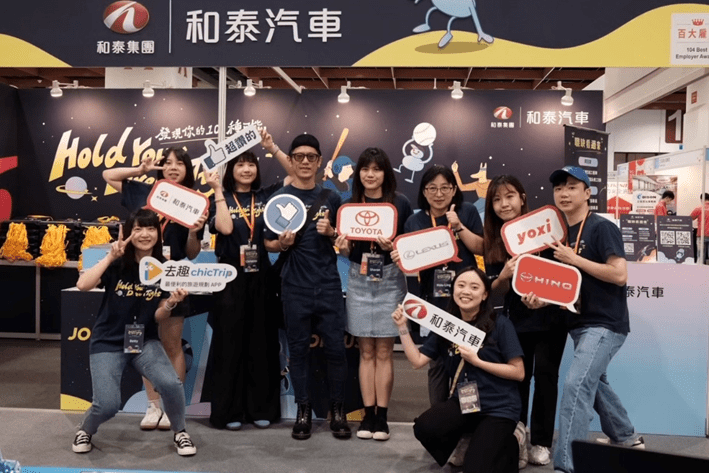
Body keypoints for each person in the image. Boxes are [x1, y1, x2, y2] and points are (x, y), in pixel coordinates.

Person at [523, 166, 643, 473]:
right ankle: (626, 436)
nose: (563, 193)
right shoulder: (559, 234)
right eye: (558, 188)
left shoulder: (602, 228)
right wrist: (540, 300)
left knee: (576, 385)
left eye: (571, 187)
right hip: (577, 324)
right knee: (594, 382)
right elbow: (563, 285)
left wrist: (574, 258)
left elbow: (619, 274)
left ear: (587, 193)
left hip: (605, 323)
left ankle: (568, 464)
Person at [72, 209, 196, 456]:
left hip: (144, 341)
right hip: (108, 341)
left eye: (150, 228)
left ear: (158, 234)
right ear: (129, 233)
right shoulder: (117, 264)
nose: (144, 234)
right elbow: (83, 284)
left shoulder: (165, 269)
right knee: (107, 405)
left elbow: (159, 316)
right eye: (138, 229)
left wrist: (171, 303)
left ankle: (180, 432)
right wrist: (110, 256)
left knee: (171, 384)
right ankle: (85, 429)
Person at [102, 147, 206, 430]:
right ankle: (153, 406)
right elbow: (108, 174)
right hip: (139, 278)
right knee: (143, 343)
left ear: (187, 169)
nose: (173, 167)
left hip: (172, 279)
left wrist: (194, 231)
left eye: (179, 163)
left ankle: (173, 406)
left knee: (172, 345)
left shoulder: (194, 202)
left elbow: (192, 253)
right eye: (167, 163)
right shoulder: (144, 193)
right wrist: (140, 170)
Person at [392, 267, 524, 473]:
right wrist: (402, 327)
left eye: (474, 287)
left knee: (475, 468)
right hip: (466, 403)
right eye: (460, 285)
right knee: (425, 426)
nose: (466, 291)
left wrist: (478, 361)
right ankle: (469, 440)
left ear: (485, 295)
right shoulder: (447, 325)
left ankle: (513, 440)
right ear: (453, 290)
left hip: (499, 407)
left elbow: (518, 372)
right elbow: (417, 361)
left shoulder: (500, 324)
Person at [263, 133, 350, 440]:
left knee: (337, 351)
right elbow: (268, 244)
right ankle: (303, 410)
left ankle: (338, 410)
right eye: (298, 156)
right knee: (298, 351)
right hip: (294, 287)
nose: (304, 162)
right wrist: (283, 243)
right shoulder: (279, 199)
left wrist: (332, 232)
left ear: (319, 161)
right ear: (290, 159)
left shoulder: (332, 198)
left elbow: (345, 243)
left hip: (328, 285)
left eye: (310, 157)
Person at [204, 139, 292, 431]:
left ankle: (261, 408)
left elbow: (295, 174)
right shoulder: (218, 198)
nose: (246, 169)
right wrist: (218, 190)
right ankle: (229, 411)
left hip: (262, 276)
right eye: (240, 164)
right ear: (231, 169)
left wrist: (272, 147)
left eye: (251, 164)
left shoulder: (266, 196)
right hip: (229, 277)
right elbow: (226, 228)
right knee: (229, 345)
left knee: (262, 342)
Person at [482, 175, 567, 468]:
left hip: (551, 318)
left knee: (546, 377)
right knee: (518, 379)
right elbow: (495, 290)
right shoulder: (495, 239)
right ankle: (516, 436)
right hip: (516, 321)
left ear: (522, 198)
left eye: (509, 197)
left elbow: (564, 275)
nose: (504, 204)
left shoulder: (547, 227)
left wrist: (546, 298)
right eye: (496, 200)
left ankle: (541, 441)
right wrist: (504, 275)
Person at [334, 147, 413, 441]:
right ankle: (368, 415)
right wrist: (343, 248)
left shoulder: (400, 203)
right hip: (359, 279)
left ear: (385, 173)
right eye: (365, 169)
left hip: (390, 280)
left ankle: (382, 416)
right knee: (365, 351)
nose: (370, 174)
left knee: (384, 352)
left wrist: (393, 247)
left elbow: (409, 246)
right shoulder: (348, 204)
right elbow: (345, 248)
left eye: (377, 169)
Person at [393, 164, 484, 406]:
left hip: (467, 301)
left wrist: (458, 226)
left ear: (454, 190)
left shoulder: (466, 211)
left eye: (445, 187)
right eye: (432, 188)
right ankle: (439, 418)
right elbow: (411, 267)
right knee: (437, 363)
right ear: (424, 191)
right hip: (434, 302)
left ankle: (467, 420)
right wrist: (400, 257)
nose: (439, 193)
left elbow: (481, 248)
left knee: (468, 362)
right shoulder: (415, 221)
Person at [690, 193, 709, 264]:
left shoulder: (699, 208)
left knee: (701, 256)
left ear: (701, 199)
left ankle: (701, 269)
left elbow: (689, 219)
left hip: (701, 234)